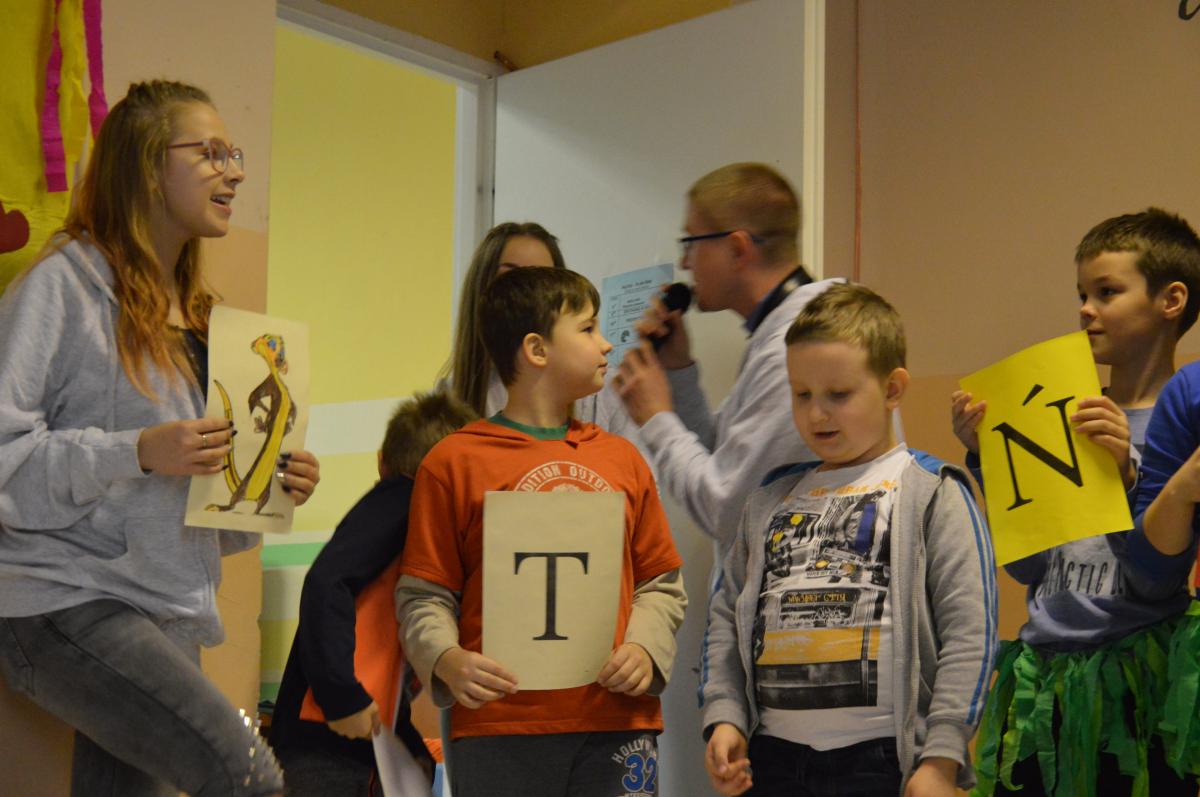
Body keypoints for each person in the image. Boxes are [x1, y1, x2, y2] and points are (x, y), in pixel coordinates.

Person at [0, 80, 321, 797]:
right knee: (246, 773)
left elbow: (196, 516)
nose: (233, 172)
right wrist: (139, 450)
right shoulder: (62, 286)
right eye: (210, 154)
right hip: (65, 599)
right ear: (148, 166)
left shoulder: (208, 323)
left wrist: (266, 486)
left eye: (234, 155)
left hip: (164, 607)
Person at [396, 266, 687, 796]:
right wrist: (446, 659)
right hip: (497, 726)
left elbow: (660, 582)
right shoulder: (453, 463)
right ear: (536, 349)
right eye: (588, 328)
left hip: (615, 722)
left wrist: (645, 649)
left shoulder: (624, 460)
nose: (606, 343)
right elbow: (424, 594)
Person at [701, 283, 997, 796]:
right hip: (773, 761)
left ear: (892, 389)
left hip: (881, 761)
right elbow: (726, 615)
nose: (817, 413)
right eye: (802, 394)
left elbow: (970, 629)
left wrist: (942, 757)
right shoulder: (768, 501)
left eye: (838, 395)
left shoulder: (933, 491)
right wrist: (725, 715)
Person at [954, 208, 1200, 796]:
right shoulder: (1058, 413)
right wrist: (989, 460)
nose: (1086, 309)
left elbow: (1155, 582)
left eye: (1107, 292)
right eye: (1082, 295)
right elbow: (1026, 567)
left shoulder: (1183, 420)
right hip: (1045, 679)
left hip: (1135, 690)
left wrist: (1127, 474)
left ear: (1171, 300)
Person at [615, 162, 841, 549]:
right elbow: (724, 460)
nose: (684, 263)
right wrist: (678, 371)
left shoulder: (796, 348)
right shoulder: (778, 333)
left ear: (737, 248)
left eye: (690, 243)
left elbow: (726, 511)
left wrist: (654, 418)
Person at [269, 391, 477, 796]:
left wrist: (408, 743)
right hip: (325, 730)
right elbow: (327, 582)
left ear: (381, 461)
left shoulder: (419, 519)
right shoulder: (402, 498)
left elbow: (385, 656)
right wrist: (341, 695)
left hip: (354, 731)